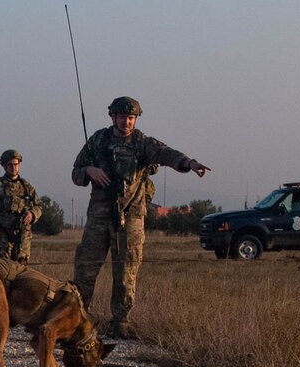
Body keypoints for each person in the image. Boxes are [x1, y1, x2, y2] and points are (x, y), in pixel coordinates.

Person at [71, 97, 210, 338]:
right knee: (86, 267)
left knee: (126, 269)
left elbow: (166, 154)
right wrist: (88, 171)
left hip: (131, 217)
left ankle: (121, 321)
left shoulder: (142, 143)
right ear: (112, 117)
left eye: (131, 118)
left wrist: (189, 162)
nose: (126, 122)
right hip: (99, 216)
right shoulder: (98, 141)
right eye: (122, 117)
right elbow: (75, 173)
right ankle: (76, 319)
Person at [0, 150, 42, 265]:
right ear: (4, 166)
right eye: (11, 165)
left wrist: (32, 214)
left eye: (16, 164)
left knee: (21, 267)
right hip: (3, 233)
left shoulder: (27, 187)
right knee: (1, 265)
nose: (14, 167)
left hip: (22, 234)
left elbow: (38, 206)